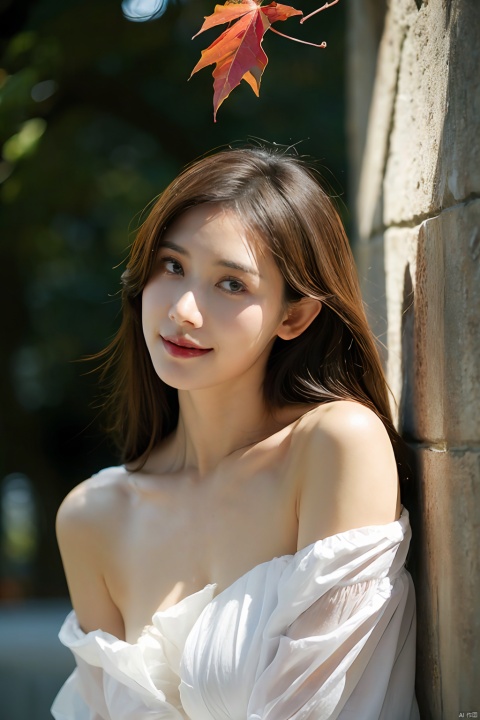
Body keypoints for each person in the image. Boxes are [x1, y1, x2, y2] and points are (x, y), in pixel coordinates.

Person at [51, 146, 420, 720]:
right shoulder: (92, 518)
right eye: (172, 266)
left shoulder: (333, 446)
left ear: (294, 316)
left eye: (230, 285)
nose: (183, 311)